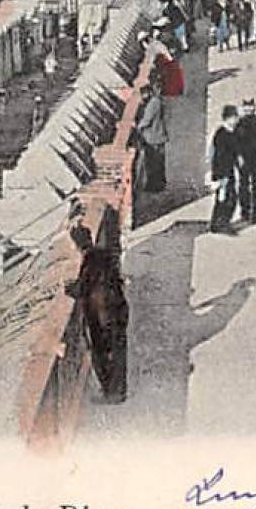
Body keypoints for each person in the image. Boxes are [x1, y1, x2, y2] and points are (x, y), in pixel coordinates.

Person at [66, 221, 128, 404]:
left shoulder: (89, 260)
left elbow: (83, 288)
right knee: (118, 352)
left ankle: (111, 393)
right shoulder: (102, 255)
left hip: (102, 316)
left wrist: (67, 288)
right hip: (118, 308)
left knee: (101, 355)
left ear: (78, 245)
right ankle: (118, 391)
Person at [208, 106, 242, 233]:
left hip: (229, 172)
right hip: (222, 173)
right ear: (227, 118)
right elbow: (220, 157)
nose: (236, 120)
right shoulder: (221, 134)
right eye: (233, 117)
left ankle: (218, 224)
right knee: (226, 199)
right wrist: (222, 177)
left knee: (228, 198)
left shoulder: (232, 132)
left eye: (236, 117)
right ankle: (220, 224)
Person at [134, 81, 168, 193]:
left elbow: (146, 121)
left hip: (152, 139)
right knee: (159, 162)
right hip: (159, 136)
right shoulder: (158, 101)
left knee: (152, 163)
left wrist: (137, 127)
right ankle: (160, 184)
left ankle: (153, 186)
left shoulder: (153, 104)